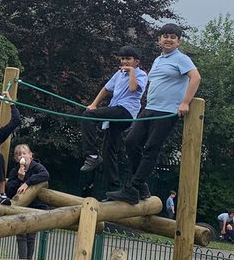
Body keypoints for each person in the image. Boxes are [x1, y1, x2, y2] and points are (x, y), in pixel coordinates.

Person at [108, 24, 201, 205]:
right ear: (159, 39)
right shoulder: (158, 59)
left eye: (173, 37)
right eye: (165, 36)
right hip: (150, 108)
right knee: (131, 142)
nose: (168, 39)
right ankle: (141, 187)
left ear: (178, 41)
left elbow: (196, 77)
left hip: (166, 111)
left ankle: (133, 188)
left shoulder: (182, 59)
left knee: (151, 148)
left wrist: (185, 102)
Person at [79, 49, 148, 192]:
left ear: (136, 61)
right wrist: (94, 104)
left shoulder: (141, 75)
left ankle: (91, 154)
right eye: (122, 59)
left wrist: (132, 72)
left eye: (128, 59)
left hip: (125, 112)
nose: (124, 62)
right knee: (108, 150)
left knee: (88, 116)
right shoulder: (118, 74)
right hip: (116, 113)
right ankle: (113, 190)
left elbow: (133, 88)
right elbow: (105, 89)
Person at [4, 143, 50, 260]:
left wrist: (27, 182)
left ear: (30, 155)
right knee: (21, 234)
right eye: (19, 154)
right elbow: (9, 190)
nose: (22, 156)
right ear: (16, 158)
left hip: (36, 206)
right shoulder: (15, 171)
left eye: (24, 153)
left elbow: (45, 175)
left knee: (31, 235)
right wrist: (19, 179)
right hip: (21, 207)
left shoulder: (36, 167)